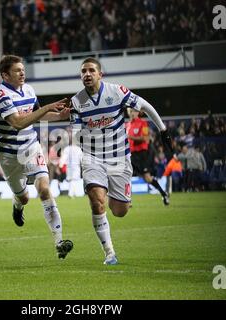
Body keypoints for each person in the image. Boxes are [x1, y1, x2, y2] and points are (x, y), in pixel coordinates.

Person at [70, 57, 173, 265]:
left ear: (100, 74)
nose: (87, 74)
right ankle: (109, 253)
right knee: (97, 203)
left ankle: (119, 197)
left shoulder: (117, 92)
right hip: (93, 158)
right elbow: (75, 133)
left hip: (119, 158)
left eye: (91, 70)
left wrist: (162, 130)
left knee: (119, 211)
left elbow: (144, 105)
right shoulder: (76, 101)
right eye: (83, 71)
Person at [0, 55, 73, 259]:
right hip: (8, 155)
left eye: (23, 69)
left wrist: (59, 116)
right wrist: (46, 108)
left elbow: (38, 115)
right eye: (17, 70)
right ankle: (17, 204)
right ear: (5, 75)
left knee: (44, 189)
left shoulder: (28, 89)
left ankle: (59, 242)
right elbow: (18, 123)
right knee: (24, 197)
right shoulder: (0, 95)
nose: (22, 73)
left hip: (31, 148)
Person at [126, 108, 170, 205]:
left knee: (147, 178)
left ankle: (164, 194)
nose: (133, 113)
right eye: (131, 111)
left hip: (142, 154)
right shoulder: (127, 125)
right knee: (126, 175)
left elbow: (145, 138)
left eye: (134, 111)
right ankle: (128, 200)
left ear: (138, 112)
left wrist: (130, 137)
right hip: (131, 155)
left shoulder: (143, 123)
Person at [59, 133, 83, 198]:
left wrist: (61, 164)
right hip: (76, 166)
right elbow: (81, 158)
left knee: (71, 180)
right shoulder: (78, 149)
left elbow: (64, 157)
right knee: (74, 179)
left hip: (69, 166)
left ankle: (73, 193)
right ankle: (71, 193)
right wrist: (83, 165)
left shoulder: (67, 148)